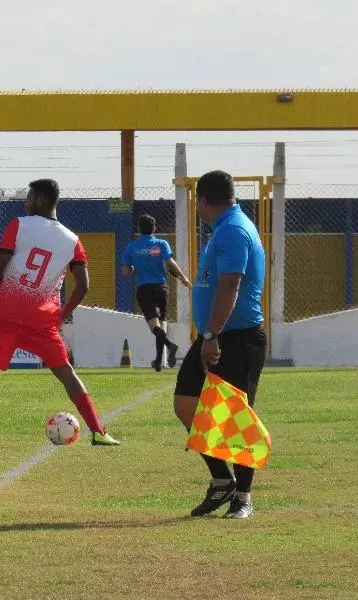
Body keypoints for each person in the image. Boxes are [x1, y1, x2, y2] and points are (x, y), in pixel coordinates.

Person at [0, 178, 120, 448]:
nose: (26, 202)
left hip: (4, 309)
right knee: (66, 372)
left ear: (39, 199)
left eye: (29, 197)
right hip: (41, 318)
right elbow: (83, 286)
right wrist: (62, 315)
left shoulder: (19, 225)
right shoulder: (73, 241)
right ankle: (98, 432)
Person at [173, 170, 267, 519]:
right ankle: (221, 481)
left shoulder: (232, 230)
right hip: (212, 335)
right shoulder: (222, 228)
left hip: (235, 338)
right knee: (186, 403)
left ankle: (243, 495)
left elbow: (231, 287)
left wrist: (211, 336)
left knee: (236, 416)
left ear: (203, 201)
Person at [122, 214, 192, 371]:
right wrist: (184, 278)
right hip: (162, 288)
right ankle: (158, 361)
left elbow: (126, 272)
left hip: (144, 289)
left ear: (139, 229)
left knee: (154, 326)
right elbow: (170, 263)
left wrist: (133, 268)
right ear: (154, 228)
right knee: (161, 323)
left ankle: (170, 345)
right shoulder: (161, 244)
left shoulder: (131, 247)